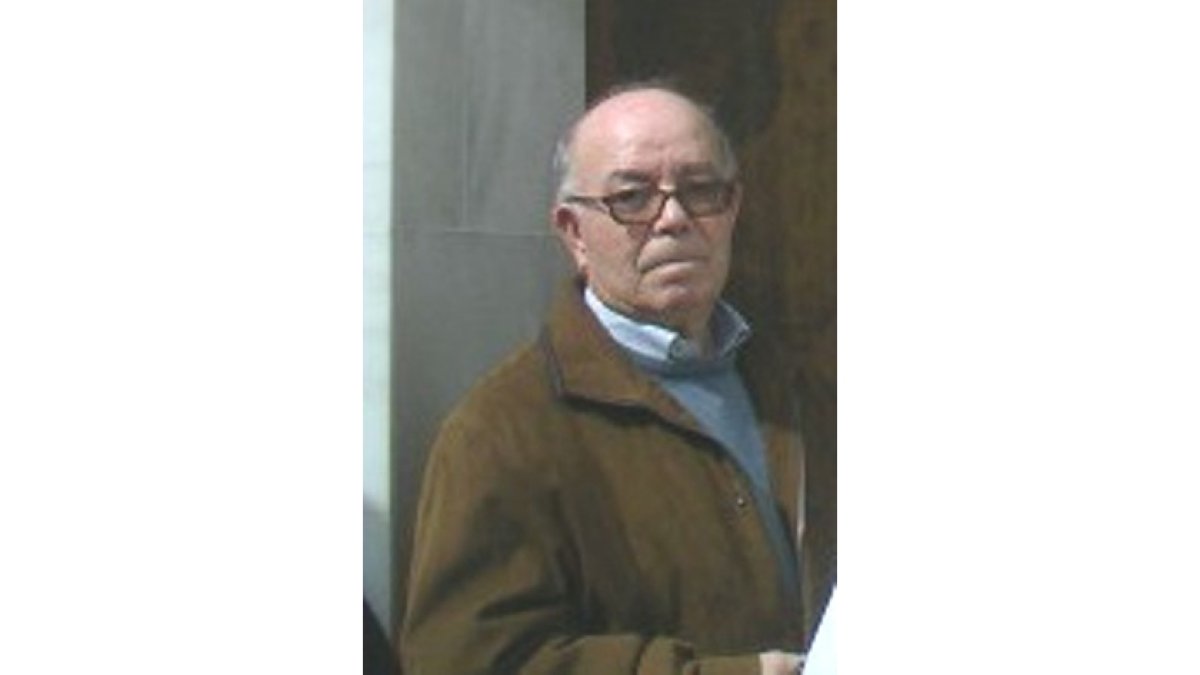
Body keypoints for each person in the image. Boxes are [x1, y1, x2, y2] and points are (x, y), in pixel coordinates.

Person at [400, 83, 835, 675]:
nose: (674, 219)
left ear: (733, 207)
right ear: (573, 232)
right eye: (632, 197)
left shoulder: (799, 390)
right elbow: (469, 660)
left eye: (700, 190)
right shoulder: (500, 434)